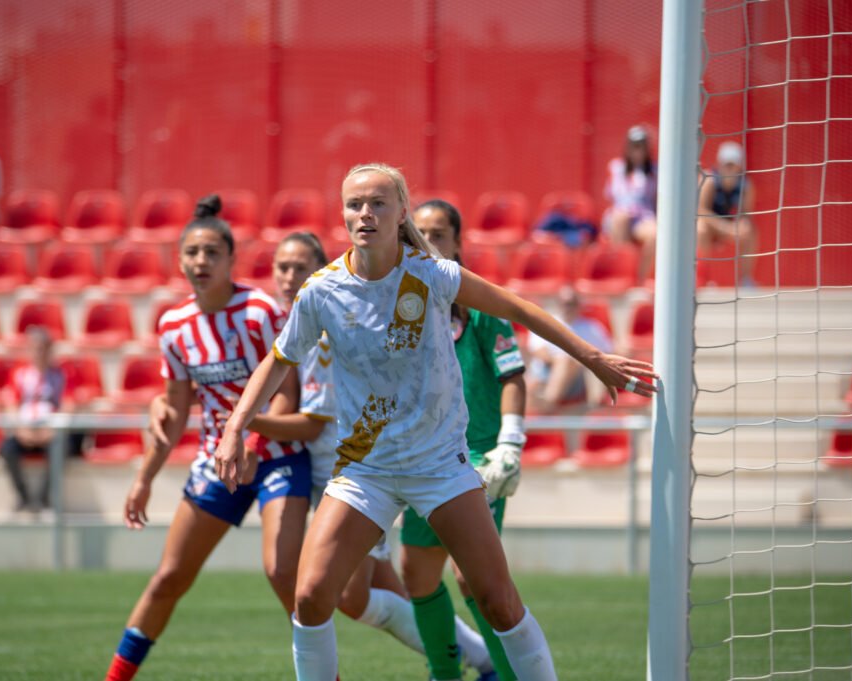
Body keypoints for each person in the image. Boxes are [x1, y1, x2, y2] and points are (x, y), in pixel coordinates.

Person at [213, 162, 657, 681]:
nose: (366, 213)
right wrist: (233, 428)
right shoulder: (323, 290)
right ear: (342, 214)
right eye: (355, 204)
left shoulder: (432, 274)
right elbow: (279, 359)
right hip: (365, 469)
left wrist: (594, 358)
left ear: (401, 211)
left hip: (440, 467)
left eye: (378, 202)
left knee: (497, 601)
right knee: (311, 597)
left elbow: (521, 309)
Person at [148, 231, 499, 678]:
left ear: (318, 269)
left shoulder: (329, 324)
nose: (290, 276)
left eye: (300, 267)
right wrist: (175, 404)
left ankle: (475, 659)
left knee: (353, 596)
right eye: (282, 267)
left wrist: (239, 422)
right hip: (328, 472)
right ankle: (473, 659)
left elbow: (313, 422)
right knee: (377, 590)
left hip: (356, 474)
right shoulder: (294, 323)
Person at [103, 195, 313, 681]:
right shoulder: (174, 326)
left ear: (230, 259)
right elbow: (174, 410)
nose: (201, 262)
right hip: (216, 461)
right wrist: (144, 479)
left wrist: (253, 445)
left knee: (284, 576)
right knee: (168, 579)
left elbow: (287, 396)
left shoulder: (260, 311)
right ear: (179, 259)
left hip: (278, 458)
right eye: (192, 253)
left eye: (211, 253)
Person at [403, 198, 527, 681]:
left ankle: (511, 674)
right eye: (420, 233)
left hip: (477, 459)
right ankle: (445, 673)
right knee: (417, 573)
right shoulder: (402, 306)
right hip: (421, 459)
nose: (428, 242)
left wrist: (510, 444)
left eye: (438, 234)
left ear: (457, 244)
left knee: (475, 581)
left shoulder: (479, 305)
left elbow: (512, 375)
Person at [0, 326, 84, 512]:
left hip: (50, 430)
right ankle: (23, 497)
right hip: (25, 429)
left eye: (43, 348)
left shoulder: (62, 374)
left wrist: (52, 431)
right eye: (35, 348)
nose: (39, 352)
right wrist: (21, 430)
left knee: (62, 449)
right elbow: (11, 405)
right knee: (7, 449)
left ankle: (45, 498)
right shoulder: (19, 373)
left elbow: (68, 405)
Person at [524, 286, 614, 414]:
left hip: (574, 379)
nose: (568, 307)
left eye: (571, 304)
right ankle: (545, 402)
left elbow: (607, 354)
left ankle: (548, 403)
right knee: (552, 367)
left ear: (579, 305)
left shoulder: (592, 328)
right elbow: (538, 351)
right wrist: (559, 362)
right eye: (565, 303)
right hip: (544, 374)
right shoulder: (546, 322)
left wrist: (566, 362)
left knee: (566, 361)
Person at [697, 140, 757, 287]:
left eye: (733, 164)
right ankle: (701, 279)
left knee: (750, 232)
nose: (729, 168)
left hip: (728, 226)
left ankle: (746, 280)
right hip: (709, 224)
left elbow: (745, 214)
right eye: (726, 164)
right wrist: (725, 227)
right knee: (700, 229)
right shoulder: (708, 180)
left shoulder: (746, 186)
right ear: (719, 164)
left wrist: (741, 225)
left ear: (739, 165)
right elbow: (701, 211)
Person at [603, 125, 658, 281]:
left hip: (643, 218)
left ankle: (639, 279)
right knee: (620, 218)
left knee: (656, 235)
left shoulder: (655, 171)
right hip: (620, 217)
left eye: (641, 146)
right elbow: (613, 196)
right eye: (634, 146)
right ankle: (621, 274)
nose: (638, 151)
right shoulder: (615, 167)